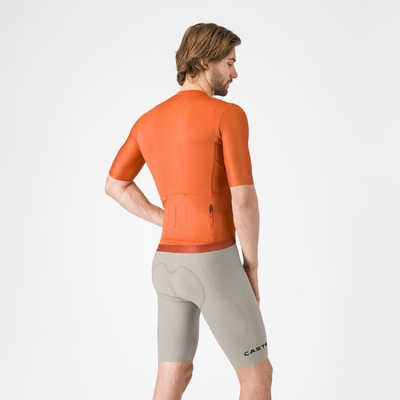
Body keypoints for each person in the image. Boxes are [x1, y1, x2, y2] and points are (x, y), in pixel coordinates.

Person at [105, 22, 273, 400]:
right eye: (230, 63)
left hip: (166, 265)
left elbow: (115, 185)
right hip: (213, 261)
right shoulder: (227, 114)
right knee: (257, 374)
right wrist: (251, 267)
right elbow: (244, 200)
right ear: (203, 61)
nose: (234, 73)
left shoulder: (147, 121)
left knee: (174, 376)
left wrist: (166, 219)